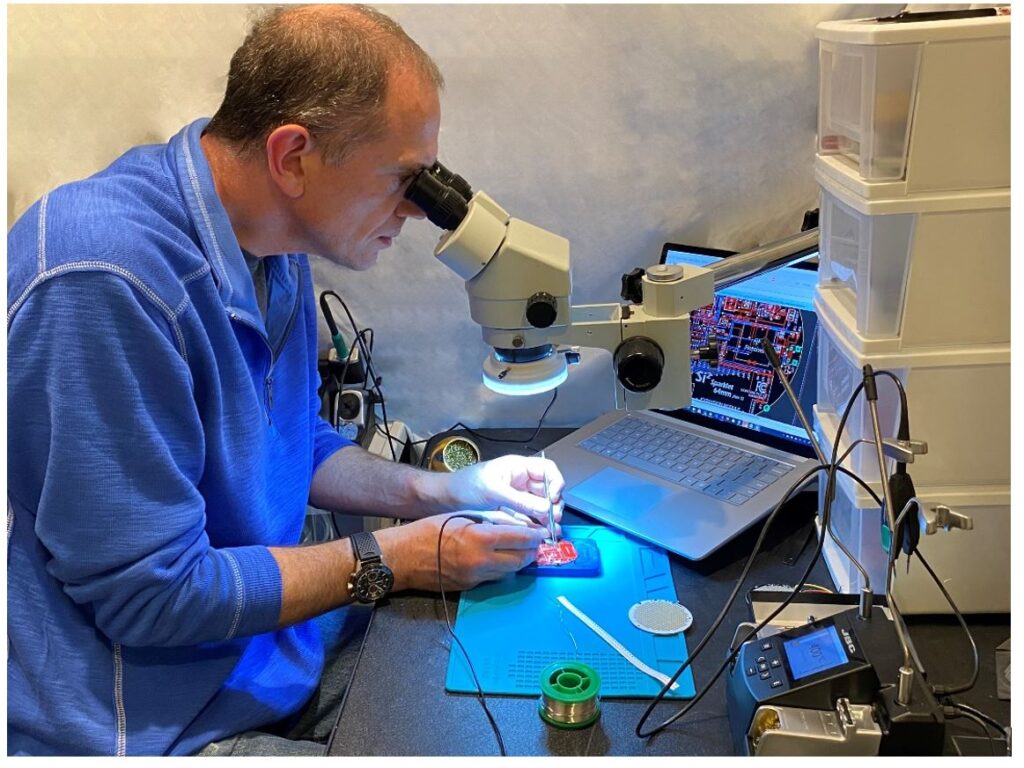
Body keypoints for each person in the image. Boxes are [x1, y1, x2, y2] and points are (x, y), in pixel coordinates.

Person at [7, 5, 564, 756]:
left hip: (267, 658)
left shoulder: (273, 241)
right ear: (294, 156)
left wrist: (443, 491)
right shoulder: (103, 280)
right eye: (405, 180)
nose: (417, 212)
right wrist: (398, 558)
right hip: (152, 725)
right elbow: (155, 597)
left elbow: (290, 438)